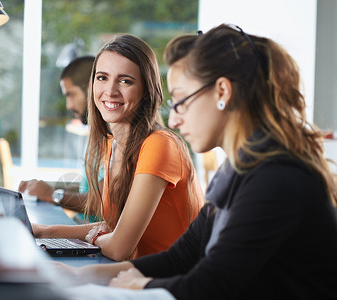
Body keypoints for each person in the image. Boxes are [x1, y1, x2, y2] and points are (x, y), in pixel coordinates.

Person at [56, 24, 337, 299]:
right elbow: (180, 258)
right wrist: (76, 276)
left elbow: (212, 286)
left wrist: (138, 286)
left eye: (181, 100)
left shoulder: (277, 178)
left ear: (223, 93)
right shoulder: (238, 170)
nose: (175, 119)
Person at [32, 33, 204, 261]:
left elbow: (117, 246)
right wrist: (44, 231)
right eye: (102, 78)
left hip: (170, 286)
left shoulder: (160, 145)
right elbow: (113, 227)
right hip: (134, 274)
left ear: (147, 90)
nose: (110, 91)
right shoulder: (112, 145)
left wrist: (96, 238)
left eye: (125, 81)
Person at [19, 56, 97, 212]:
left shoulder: (116, 136)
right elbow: (88, 191)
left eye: (71, 95)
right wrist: (46, 189)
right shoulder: (96, 135)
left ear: (91, 89)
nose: (68, 105)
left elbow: (100, 203)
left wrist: (53, 194)